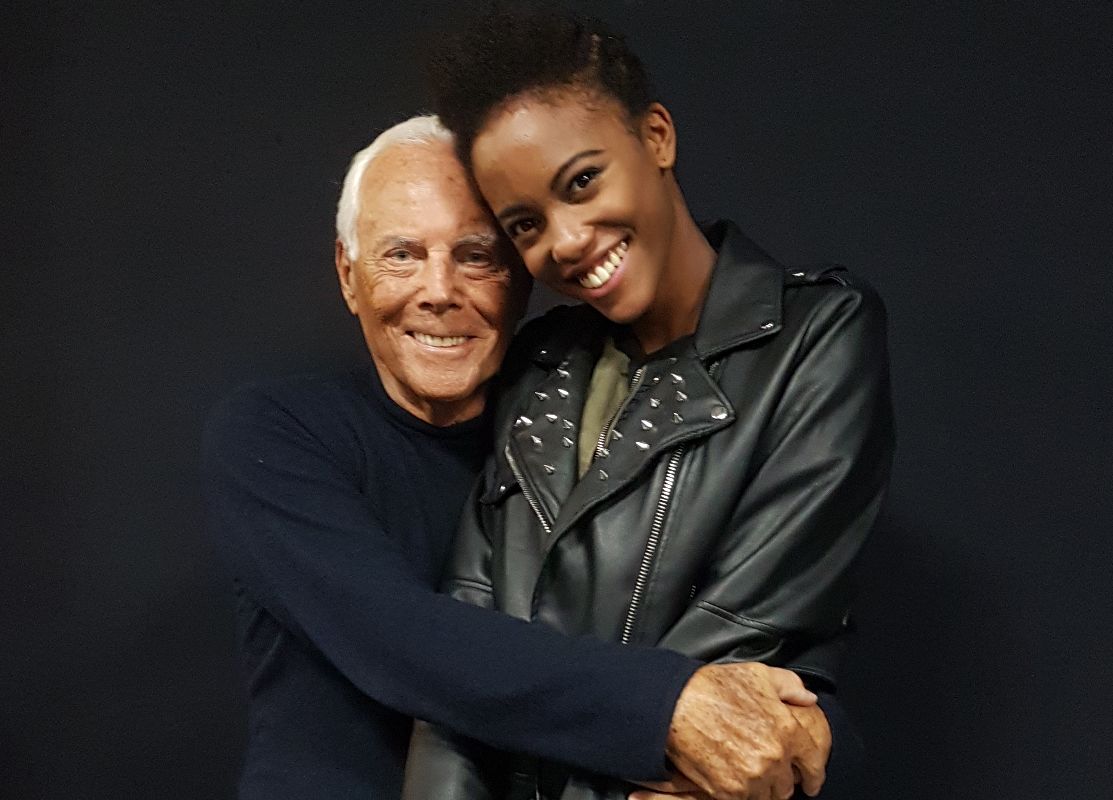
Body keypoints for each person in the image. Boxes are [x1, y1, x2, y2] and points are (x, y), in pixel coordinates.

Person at [201, 115, 833, 800]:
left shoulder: (587, 435)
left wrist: (797, 738)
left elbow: (769, 641)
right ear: (348, 275)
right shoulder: (277, 434)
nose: (439, 291)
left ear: (521, 281)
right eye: (402, 254)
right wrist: (669, 711)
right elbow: (397, 642)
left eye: (476, 256)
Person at [404, 8, 895, 800]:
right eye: (525, 224)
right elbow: (463, 657)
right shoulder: (536, 367)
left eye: (581, 182)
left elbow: (737, 657)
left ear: (656, 137)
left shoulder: (815, 337)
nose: (566, 240)